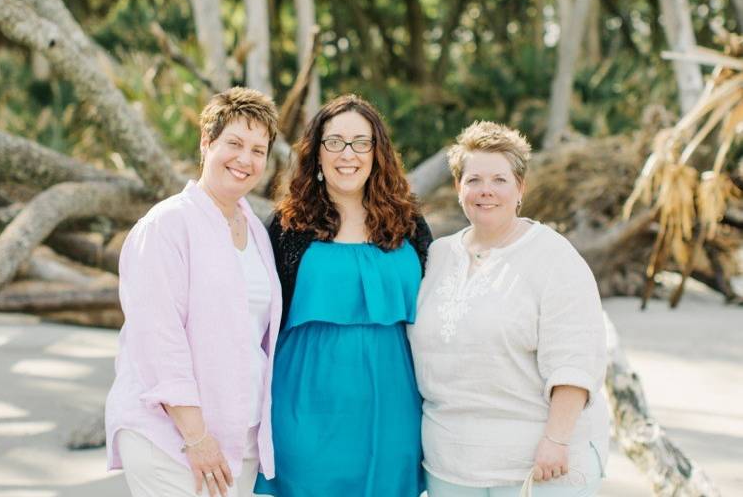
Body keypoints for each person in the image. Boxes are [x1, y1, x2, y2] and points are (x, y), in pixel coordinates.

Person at [407, 121, 608, 496]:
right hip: (449, 465)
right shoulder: (437, 256)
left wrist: (557, 440)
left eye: (499, 180)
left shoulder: (553, 257)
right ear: (458, 187)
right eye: (473, 180)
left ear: (520, 188)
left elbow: (576, 358)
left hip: (540, 467)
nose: (486, 191)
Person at [105, 87, 282, 497]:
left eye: (258, 150)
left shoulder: (255, 228)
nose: (245, 159)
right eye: (234, 143)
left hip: (239, 439)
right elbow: (158, 340)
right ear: (206, 142)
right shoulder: (166, 226)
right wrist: (196, 437)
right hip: (174, 440)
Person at [254, 95, 432, 497]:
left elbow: (436, 315)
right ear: (316, 152)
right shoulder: (286, 227)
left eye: (360, 142)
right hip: (304, 413)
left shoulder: (410, 225)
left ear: (377, 152)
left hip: (394, 414)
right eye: (334, 142)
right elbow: (256, 320)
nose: (347, 153)